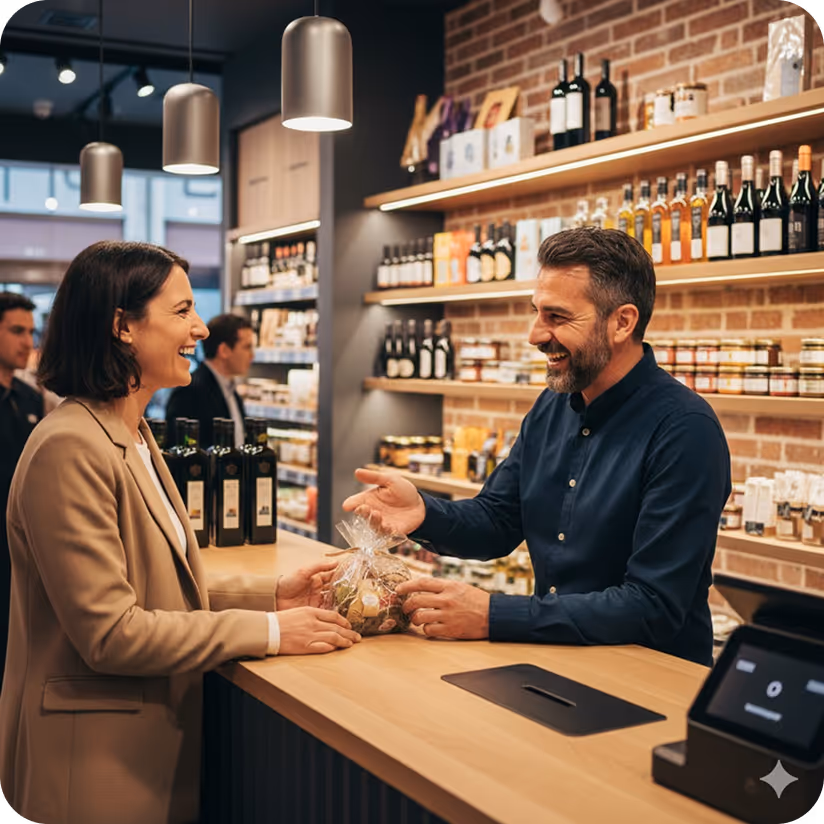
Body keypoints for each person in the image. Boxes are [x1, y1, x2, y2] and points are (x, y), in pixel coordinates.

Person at [0, 241, 360, 824]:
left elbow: (157, 587)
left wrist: (272, 595)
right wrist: (269, 630)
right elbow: (112, 633)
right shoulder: (70, 446)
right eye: (181, 311)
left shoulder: (132, 433)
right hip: (90, 767)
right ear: (122, 325)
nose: (198, 327)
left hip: (135, 752)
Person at [345, 228, 731, 667]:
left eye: (557, 317)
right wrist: (424, 512)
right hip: (556, 660)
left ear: (622, 322)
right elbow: (498, 520)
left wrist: (492, 614)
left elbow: (652, 605)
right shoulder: (552, 406)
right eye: (537, 313)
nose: (534, 335)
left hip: (652, 680)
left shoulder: (685, 430)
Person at [0, 293, 44, 693]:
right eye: (16, 331)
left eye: (31, 332)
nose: (27, 342)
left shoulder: (31, 399)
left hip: (21, 553)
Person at [165, 313, 254, 449]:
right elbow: (179, 448)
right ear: (224, 350)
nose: (252, 355)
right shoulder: (190, 390)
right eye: (247, 347)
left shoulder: (231, 391)